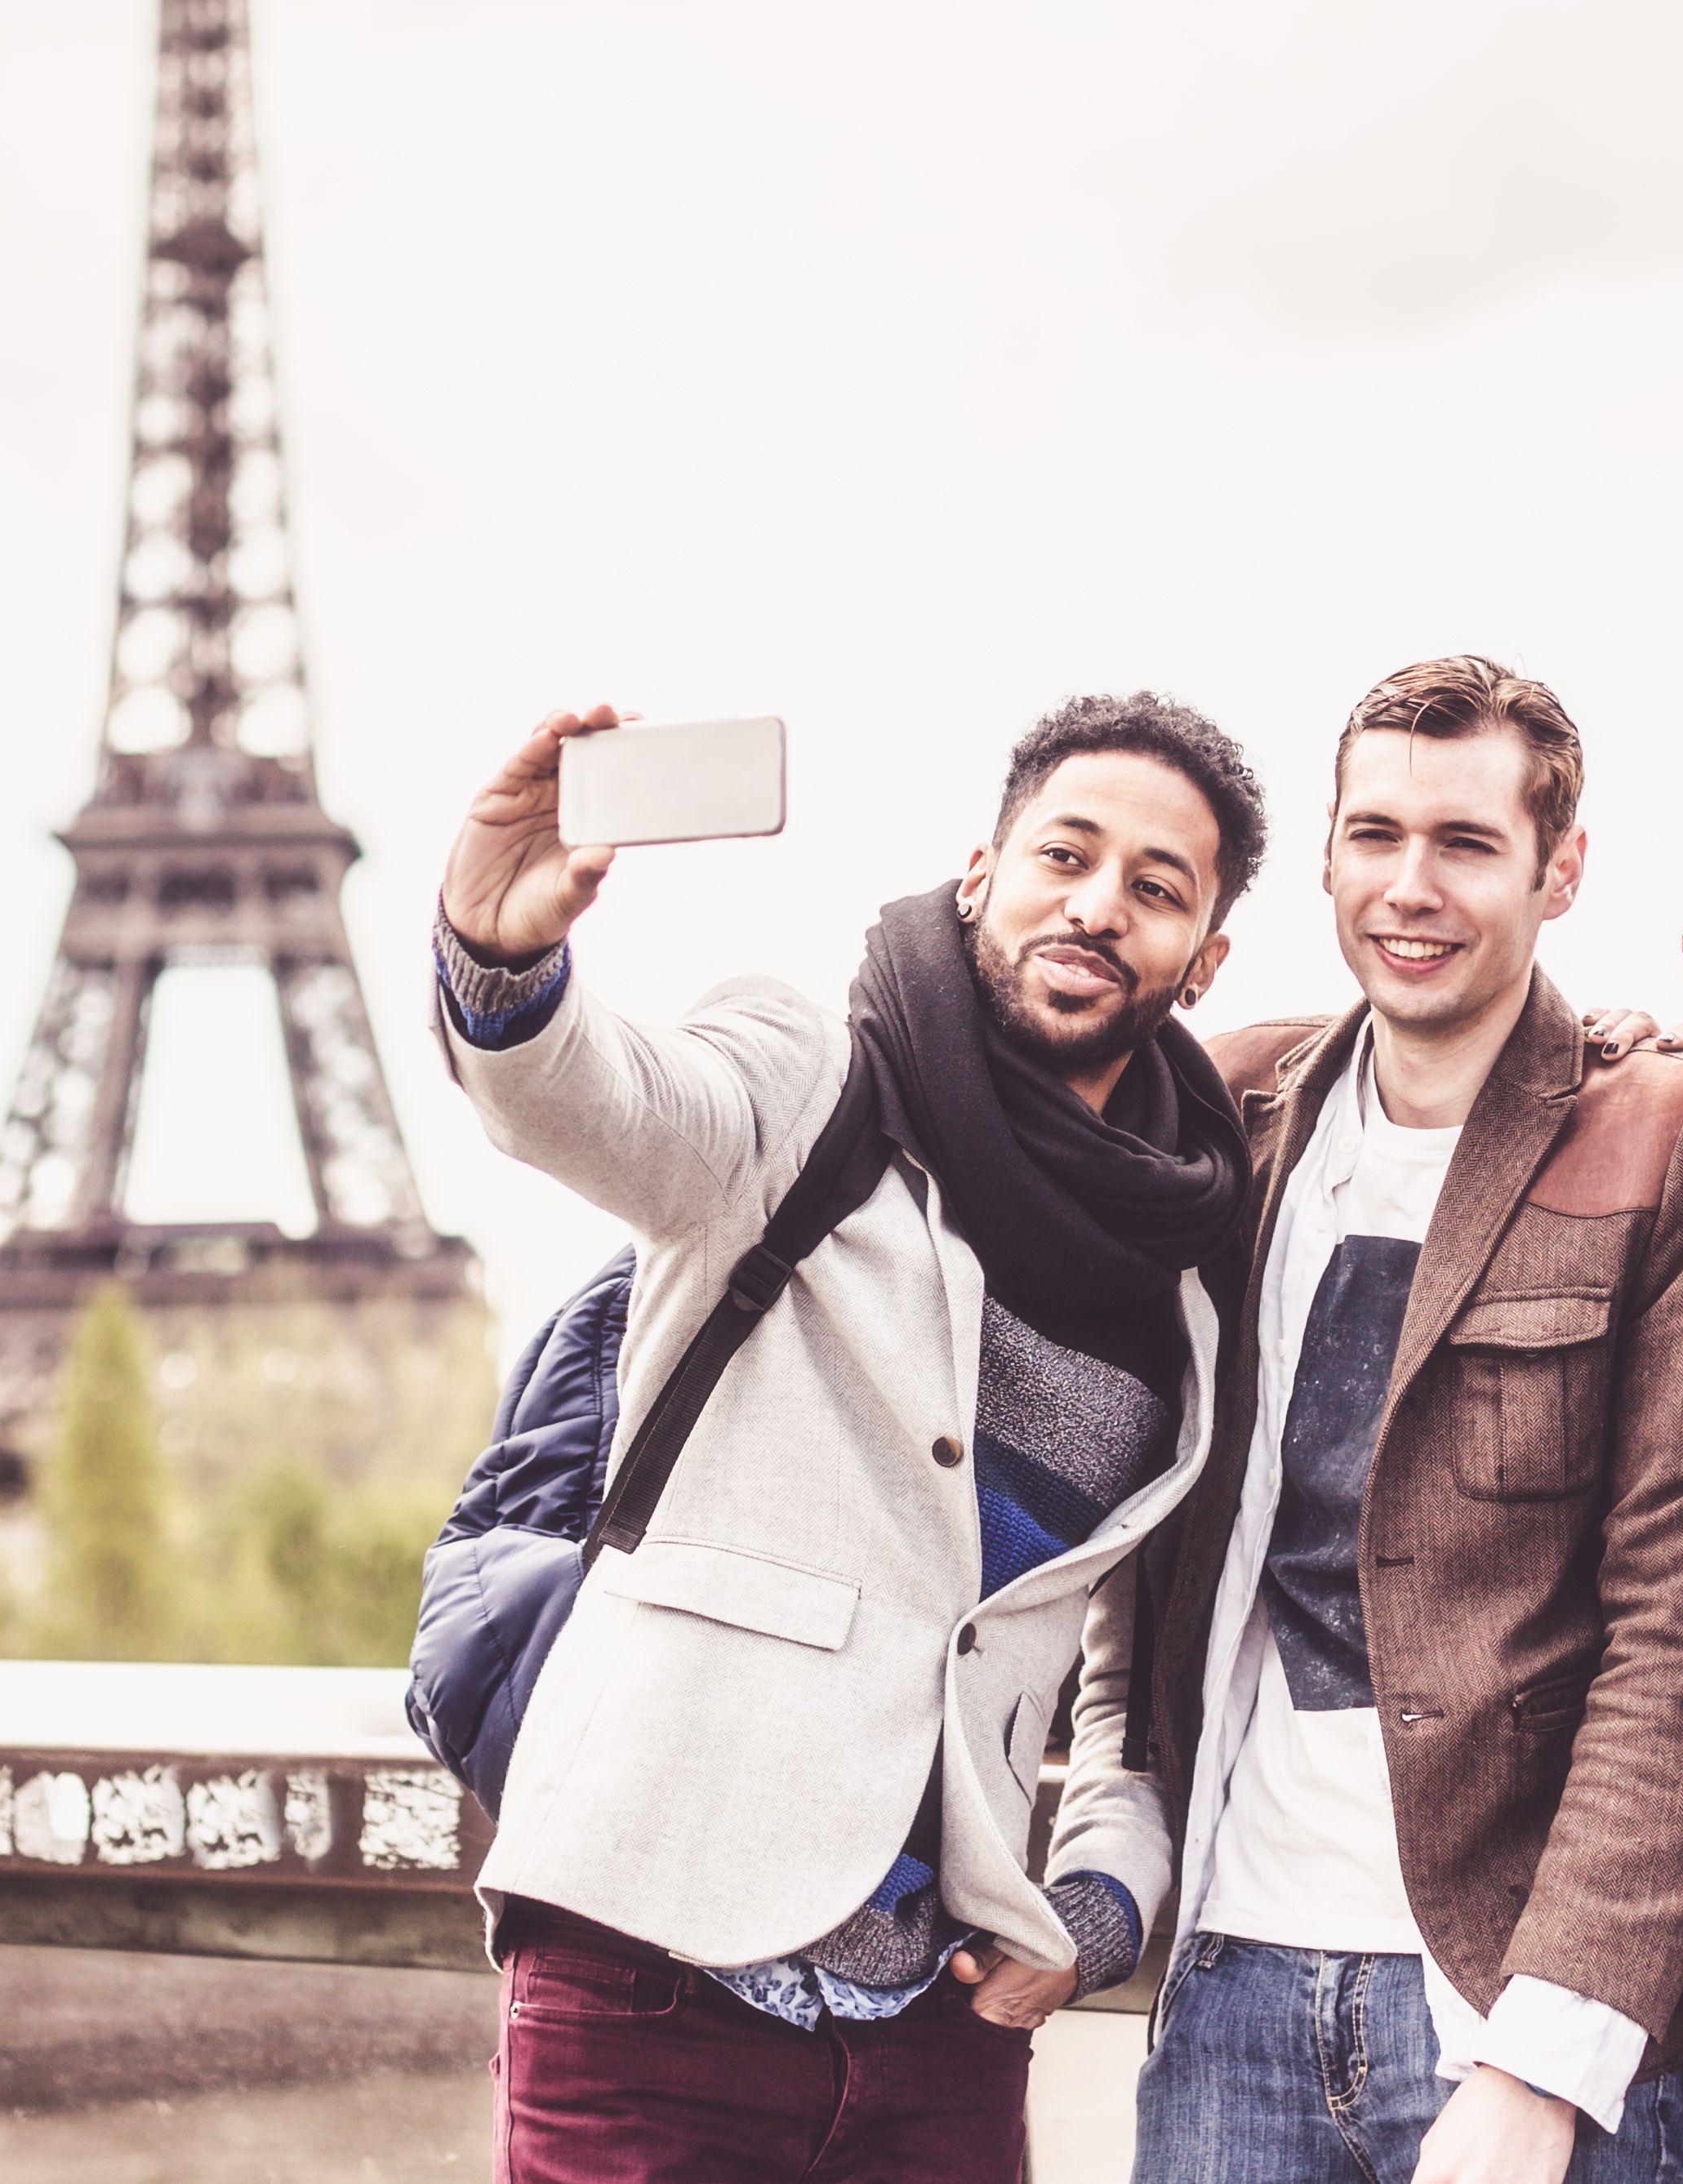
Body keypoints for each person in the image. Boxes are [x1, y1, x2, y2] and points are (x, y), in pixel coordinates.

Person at [430, 692, 1263, 2184]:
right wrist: (502, 960)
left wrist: (1101, 1912)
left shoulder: (1189, 1273)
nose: (1094, 905)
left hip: (939, 2025)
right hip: (650, 1969)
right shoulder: (806, 1084)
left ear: (1202, 960)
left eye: (1155, 887)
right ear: (977, 876)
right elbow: (599, 1103)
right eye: (1062, 855)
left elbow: (1131, 1691)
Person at [1057, 656, 1683, 2184]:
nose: (1410, 886)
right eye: (1374, 836)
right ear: (1323, 856)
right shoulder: (1226, 1104)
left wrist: (1551, 2046)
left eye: (1464, 843)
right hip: (1232, 1975)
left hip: (1522, 2008)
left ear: (1558, 869)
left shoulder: (1669, 1135)